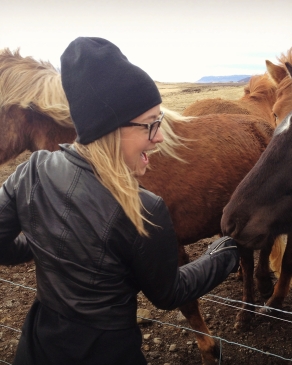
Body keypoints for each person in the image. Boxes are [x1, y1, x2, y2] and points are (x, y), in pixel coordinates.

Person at [0, 37, 239, 365]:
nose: (159, 137)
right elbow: (169, 293)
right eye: (151, 125)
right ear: (110, 127)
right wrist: (225, 251)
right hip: (109, 353)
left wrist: (47, 239)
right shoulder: (142, 207)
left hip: (39, 346)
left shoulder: (31, 172)